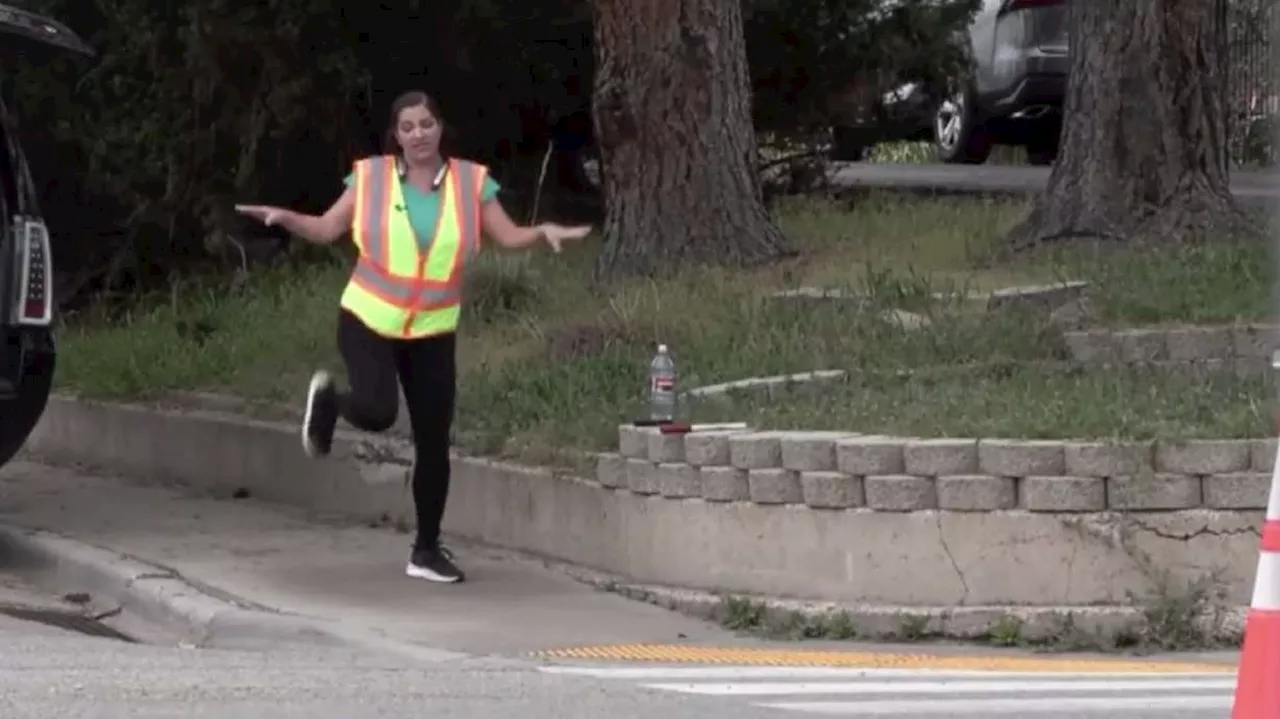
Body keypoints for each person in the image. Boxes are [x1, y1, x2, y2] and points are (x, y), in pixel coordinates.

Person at [234, 91, 591, 584]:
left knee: (434, 442)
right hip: (368, 317)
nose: (418, 134)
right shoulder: (371, 177)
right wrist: (286, 218)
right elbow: (325, 228)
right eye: (408, 127)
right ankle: (330, 403)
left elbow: (507, 236)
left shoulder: (471, 182)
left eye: (426, 124)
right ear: (396, 136)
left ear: (440, 128)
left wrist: (542, 231)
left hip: (432, 329)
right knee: (379, 412)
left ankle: (426, 550)